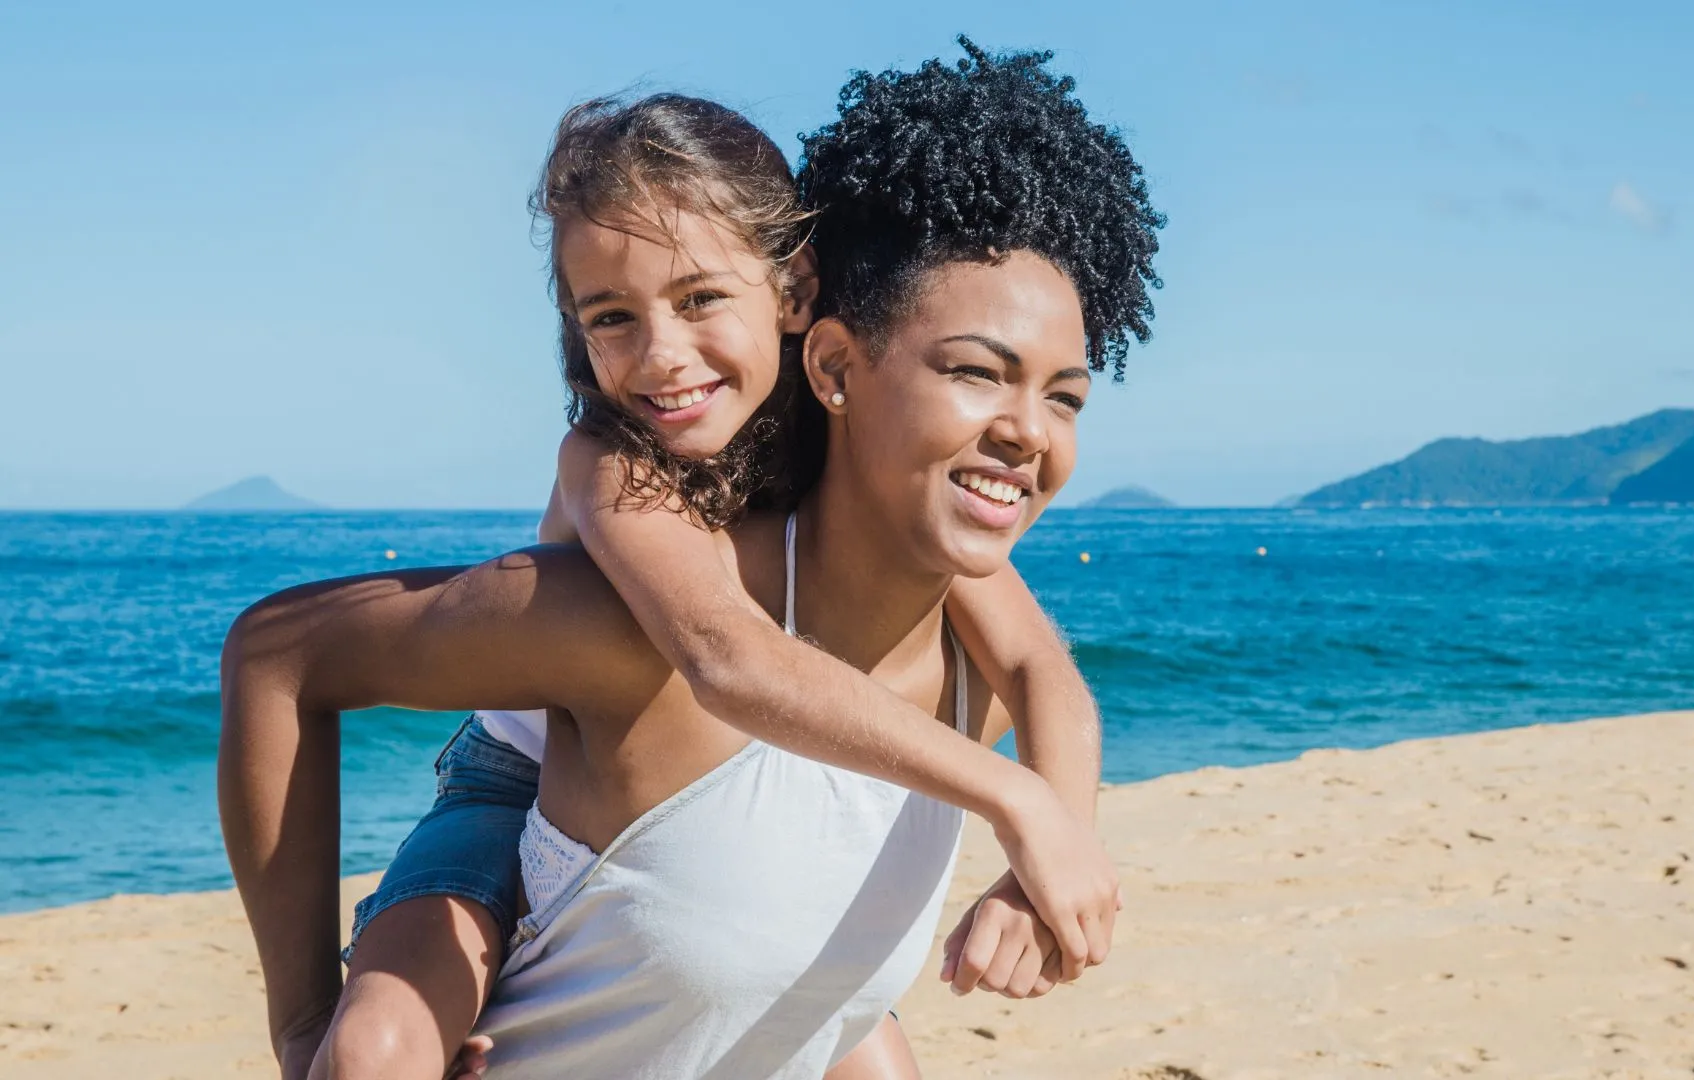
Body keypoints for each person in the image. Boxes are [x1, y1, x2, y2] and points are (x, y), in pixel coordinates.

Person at [220, 37, 1161, 1078]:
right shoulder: (618, 465)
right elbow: (725, 654)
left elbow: (1039, 668)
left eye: (702, 299)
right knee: (372, 1050)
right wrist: (1014, 799)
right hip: (506, 785)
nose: (663, 356)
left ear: (794, 293)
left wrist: (1057, 834)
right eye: (612, 319)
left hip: (708, 830)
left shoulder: (844, 452)